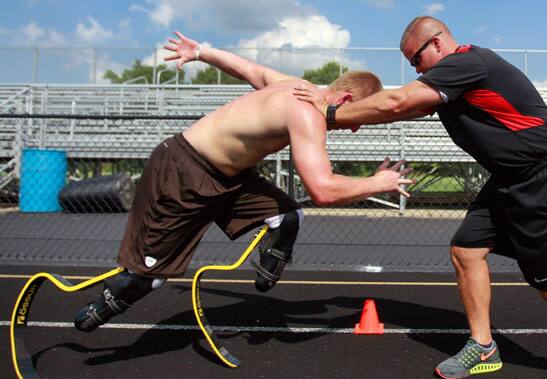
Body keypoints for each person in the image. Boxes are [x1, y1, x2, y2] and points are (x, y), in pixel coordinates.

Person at [293, 16, 547, 379]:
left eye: (417, 59)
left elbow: (398, 102)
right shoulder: (451, 80)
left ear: (438, 42)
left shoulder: (468, 62)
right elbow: (408, 108)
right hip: (512, 179)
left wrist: (329, 111)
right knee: (466, 250)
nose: (415, 69)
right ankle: (482, 347)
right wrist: (343, 116)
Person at [73, 31, 415, 333]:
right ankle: (96, 310)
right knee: (150, 275)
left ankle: (266, 273)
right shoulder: (307, 112)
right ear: (346, 101)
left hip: (229, 178)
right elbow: (322, 190)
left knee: (287, 215)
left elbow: (252, 70)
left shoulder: (296, 85)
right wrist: (377, 183)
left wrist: (202, 52)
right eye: (358, 118)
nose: (354, 127)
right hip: (184, 170)